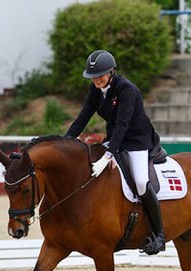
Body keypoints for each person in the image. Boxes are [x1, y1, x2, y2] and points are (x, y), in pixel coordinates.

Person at [65, 49, 165, 255]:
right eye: (92, 77)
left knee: (139, 181)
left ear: (111, 72)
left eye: (99, 76)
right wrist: (65, 142)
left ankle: (160, 235)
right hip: (115, 138)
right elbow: (82, 118)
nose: (96, 80)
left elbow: (123, 124)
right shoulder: (96, 90)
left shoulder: (127, 90)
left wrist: (108, 154)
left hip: (137, 140)